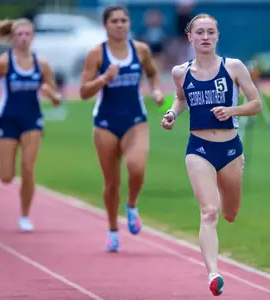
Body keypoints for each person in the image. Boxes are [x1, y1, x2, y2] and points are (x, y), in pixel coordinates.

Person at [161, 13, 262, 296]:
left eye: (210, 32)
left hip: (230, 150)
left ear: (217, 36)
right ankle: (213, 274)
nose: (205, 37)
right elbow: (181, 100)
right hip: (199, 149)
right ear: (189, 37)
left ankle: (226, 200)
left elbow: (256, 104)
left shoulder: (233, 67)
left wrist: (232, 111)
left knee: (230, 213)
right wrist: (171, 114)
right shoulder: (180, 72)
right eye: (199, 32)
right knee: (209, 212)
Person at [79, 5, 164, 252]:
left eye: (123, 20)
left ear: (129, 23)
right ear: (105, 25)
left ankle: (132, 206)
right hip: (105, 122)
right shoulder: (96, 54)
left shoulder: (141, 50)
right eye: (114, 21)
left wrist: (156, 90)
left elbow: (152, 74)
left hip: (135, 119)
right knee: (111, 182)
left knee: (136, 167)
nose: (119, 25)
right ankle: (112, 230)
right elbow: (84, 92)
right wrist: (105, 78)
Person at [0, 18, 61, 232]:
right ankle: (5, 171)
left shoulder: (42, 64)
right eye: (19, 35)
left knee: (28, 169)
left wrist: (52, 95)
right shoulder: (3, 62)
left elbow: (56, 97)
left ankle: (24, 215)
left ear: (32, 37)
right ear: (13, 38)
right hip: (8, 118)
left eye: (26, 35)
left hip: (32, 120)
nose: (22, 39)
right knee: (5, 176)